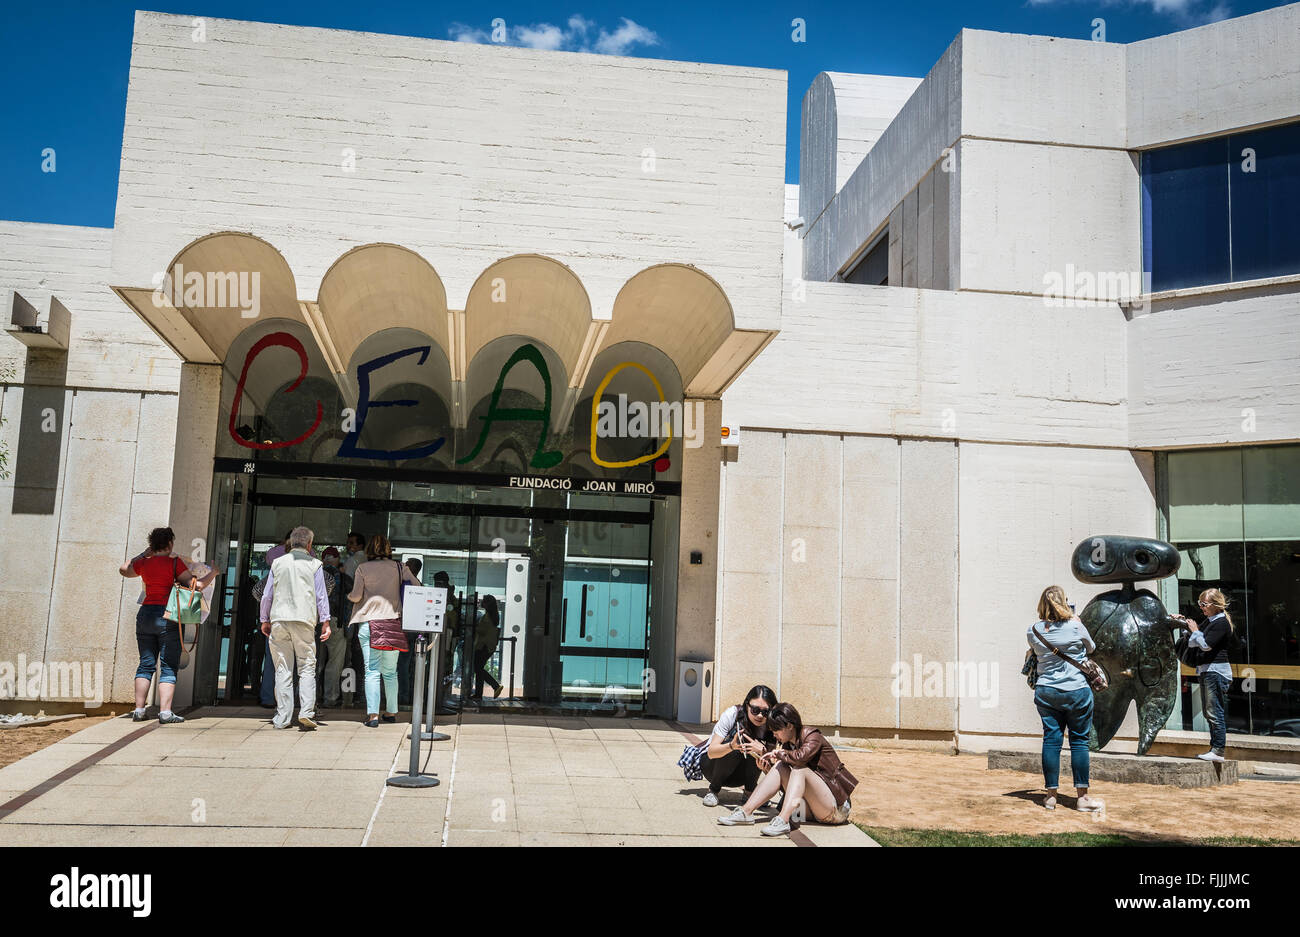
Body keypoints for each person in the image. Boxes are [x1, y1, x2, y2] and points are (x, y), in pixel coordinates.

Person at [118, 526, 215, 724]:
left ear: (152, 544)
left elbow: (124, 569)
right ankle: (165, 712)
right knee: (169, 666)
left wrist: (143, 554)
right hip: (168, 615)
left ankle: (139, 710)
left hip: (145, 615)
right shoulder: (174, 563)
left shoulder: (144, 563)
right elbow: (197, 586)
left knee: (146, 664)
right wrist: (213, 572)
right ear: (170, 543)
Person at [718, 702, 856, 836]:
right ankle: (745, 812)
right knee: (781, 766)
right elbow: (791, 786)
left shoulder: (813, 736)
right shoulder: (788, 746)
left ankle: (783, 820)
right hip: (809, 809)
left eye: (776, 730)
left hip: (837, 809)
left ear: (789, 726)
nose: (774, 735)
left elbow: (800, 758)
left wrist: (779, 754)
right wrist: (767, 769)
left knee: (799, 769)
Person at [1026, 584, 1103, 811]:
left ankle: (1051, 796)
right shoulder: (1075, 626)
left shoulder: (1033, 630)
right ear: (1064, 603)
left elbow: (1036, 650)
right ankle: (1082, 798)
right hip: (1076, 690)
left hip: (1046, 690)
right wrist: (1076, 623)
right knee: (1079, 741)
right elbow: (1091, 648)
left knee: (1051, 740)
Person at [259, 526, 332, 730]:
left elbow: (267, 595)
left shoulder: (277, 563)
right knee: (307, 667)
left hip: (279, 620)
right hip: (304, 620)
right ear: (309, 545)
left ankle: (282, 717)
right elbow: (321, 596)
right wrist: (325, 622)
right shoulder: (315, 565)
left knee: (282, 668)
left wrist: (264, 619)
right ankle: (307, 712)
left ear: (290, 542)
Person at [348, 534, 420, 727]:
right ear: (389, 549)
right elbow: (417, 586)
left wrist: (349, 595)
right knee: (390, 672)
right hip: (392, 625)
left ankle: (372, 716)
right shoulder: (399, 567)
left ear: (370, 549)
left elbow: (355, 597)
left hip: (369, 625)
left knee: (371, 671)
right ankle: (390, 712)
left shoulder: (362, 568)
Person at [1173, 588, 1236, 762]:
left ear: (1216, 604)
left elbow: (1205, 644)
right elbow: (1194, 642)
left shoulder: (1221, 623)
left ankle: (1218, 751)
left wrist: (1194, 631)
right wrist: (1184, 624)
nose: (1201, 607)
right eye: (1200, 604)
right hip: (1207, 670)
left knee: (1214, 712)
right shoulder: (1210, 621)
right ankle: (1215, 749)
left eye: (1204, 604)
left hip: (1215, 671)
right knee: (1210, 713)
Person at [700, 685, 777, 807]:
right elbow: (711, 752)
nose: (760, 716)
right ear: (747, 705)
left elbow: (773, 771)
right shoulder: (733, 714)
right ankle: (713, 790)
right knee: (738, 744)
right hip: (712, 767)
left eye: (765, 712)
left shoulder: (771, 727)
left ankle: (749, 792)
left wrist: (763, 752)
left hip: (741, 775)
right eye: (755, 710)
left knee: (753, 746)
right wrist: (731, 746)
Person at [318, 547, 348, 708]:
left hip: (314, 621)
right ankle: (330, 697)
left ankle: (311, 696)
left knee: (315, 662)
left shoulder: (315, 573)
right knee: (334, 662)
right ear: (336, 560)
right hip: (335, 621)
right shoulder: (339, 575)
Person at [472, 594, 503, 700]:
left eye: (483, 601)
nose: (481, 602)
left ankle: (495, 686)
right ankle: (478, 694)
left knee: (478, 669)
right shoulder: (493, 616)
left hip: (483, 646)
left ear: (487, 604)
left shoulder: (487, 617)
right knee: (479, 669)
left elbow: (481, 630)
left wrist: (474, 627)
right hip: (488, 646)